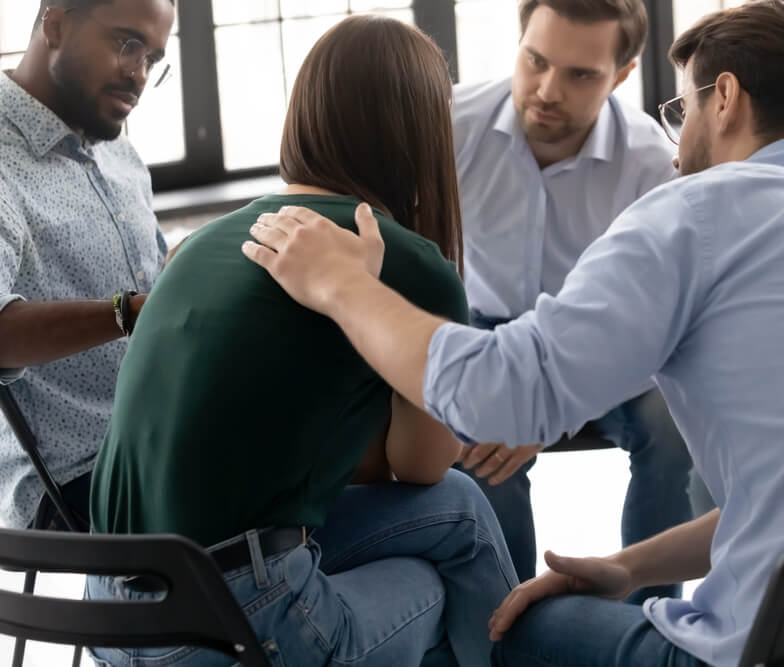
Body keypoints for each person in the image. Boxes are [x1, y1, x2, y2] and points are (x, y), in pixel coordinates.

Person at [243, 2, 784, 665]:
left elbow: (494, 393)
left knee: (505, 627)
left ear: (726, 97)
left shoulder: (693, 209)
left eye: (683, 109)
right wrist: (628, 567)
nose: (678, 140)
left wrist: (340, 285)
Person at [87, 15, 517, 667]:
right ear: (422, 135)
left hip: (108, 614)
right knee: (434, 583)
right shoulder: (406, 259)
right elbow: (424, 462)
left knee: (460, 508)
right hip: (228, 630)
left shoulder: (207, 240)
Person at [452, 0, 699, 599]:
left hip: (608, 340)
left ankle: (647, 624)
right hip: (492, 330)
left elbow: (659, 320)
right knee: (479, 441)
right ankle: (504, 625)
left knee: (675, 427)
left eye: (580, 74)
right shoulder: (450, 124)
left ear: (621, 75)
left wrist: (553, 399)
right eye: (535, 60)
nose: (546, 89)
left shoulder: (651, 163)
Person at [0, 0, 175, 529]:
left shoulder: (118, 149)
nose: (139, 74)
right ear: (54, 24)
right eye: (127, 44)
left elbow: (156, 290)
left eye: (154, 57)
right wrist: (130, 312)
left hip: (168, 443)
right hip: (79, 480)